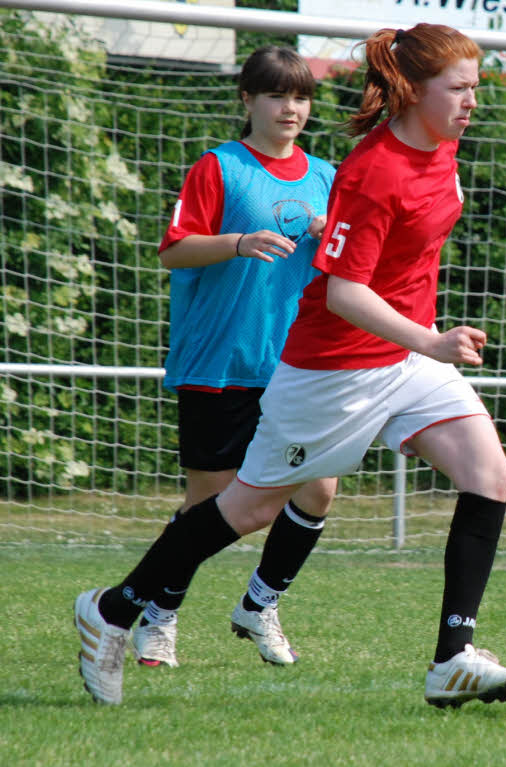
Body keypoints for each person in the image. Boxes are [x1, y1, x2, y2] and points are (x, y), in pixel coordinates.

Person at [74, 23, 506, 708]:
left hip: (404, 358)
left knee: (489, 473)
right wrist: (432, 339)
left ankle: (451, 657)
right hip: (332, 369)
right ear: (414, 91)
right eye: (459, 88)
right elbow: (344, 293)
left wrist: (421, 342)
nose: (472, 101)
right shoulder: (370, 171)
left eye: (475, 87)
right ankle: (112, 609)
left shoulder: (444, 146)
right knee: (245, 508)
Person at [129, 45, 337, 670]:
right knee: (211, 508)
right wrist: (239, 242)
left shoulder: (328, 177)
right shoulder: (218, 168)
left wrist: (334, 241)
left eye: (300, 96)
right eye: (276, 95)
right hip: (219, 361)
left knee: (319, 489)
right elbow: (172, 251)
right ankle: (158, 617)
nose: (290, 108)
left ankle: (260, 604)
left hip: (297, 366)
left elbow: (346, 274)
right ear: (247, 100)